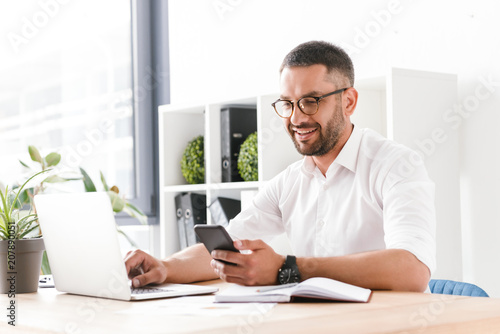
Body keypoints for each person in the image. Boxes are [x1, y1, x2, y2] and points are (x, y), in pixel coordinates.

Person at [125, 41, 436, 292]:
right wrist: (164, 267)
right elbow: (228, 247)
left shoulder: (396, 165)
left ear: (349, 102)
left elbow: (411, 270)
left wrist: (289, 268)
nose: (297, 118)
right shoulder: (290, 181)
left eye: (311, 100)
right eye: (288, 103)